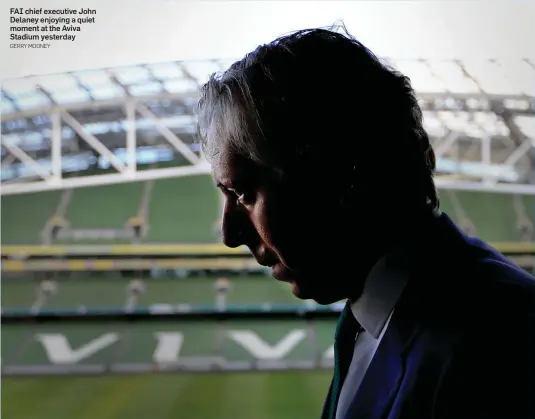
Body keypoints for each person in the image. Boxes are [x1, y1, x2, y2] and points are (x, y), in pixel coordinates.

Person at [196, 24, 535, 419]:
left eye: (242, 194)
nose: (228, 234)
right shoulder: (373, 316)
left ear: (336, 176)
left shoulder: (502, 346)